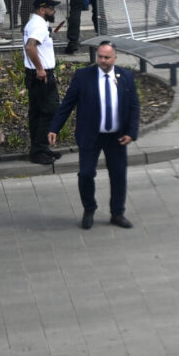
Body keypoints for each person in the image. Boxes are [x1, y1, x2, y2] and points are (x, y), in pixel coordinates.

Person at [48, 41, 140, 230]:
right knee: (86, 174)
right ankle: (89, 208)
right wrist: (54, 128)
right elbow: (68, 103)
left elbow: (134, 106)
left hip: (116, 137)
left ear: (115, 58)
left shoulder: (126, 76)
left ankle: (117, 213)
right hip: (91, 135)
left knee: (118, 175)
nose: (103, 61)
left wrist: (131, 133)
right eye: (100, 57)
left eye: (107, 57)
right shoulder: (84, 76)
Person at [23, 0, 62, 165]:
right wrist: (40, 68)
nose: (53, 11)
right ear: (42, 9)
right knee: (50, 111)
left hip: (36, 74)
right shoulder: (38, 25)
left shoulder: (36, 23)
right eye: (51, 8)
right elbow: (30, 46)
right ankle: (39, 150)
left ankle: (40, 148)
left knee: (37, 113)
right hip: (41, 75)